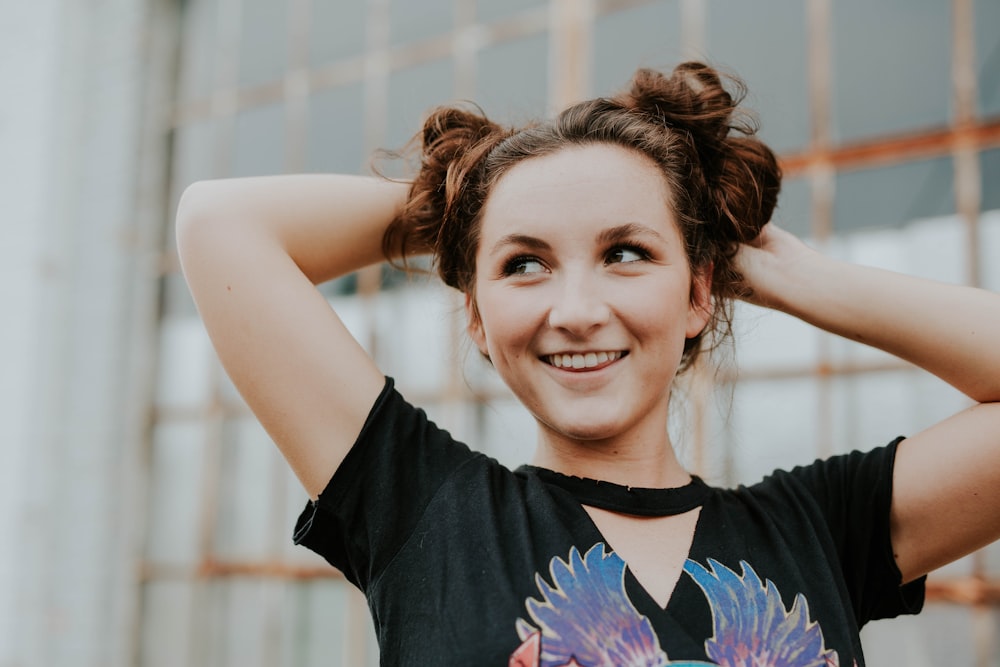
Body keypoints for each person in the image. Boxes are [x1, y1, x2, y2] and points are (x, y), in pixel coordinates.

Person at [176, 62, 1000, 665]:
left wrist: (802, 278)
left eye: (627, 253)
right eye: (523, 264)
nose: (574, 309)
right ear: (476, 314)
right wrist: (473, 196)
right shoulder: (425, 513)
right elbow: (221, 225)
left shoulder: (824, 528)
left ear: (699, 294)